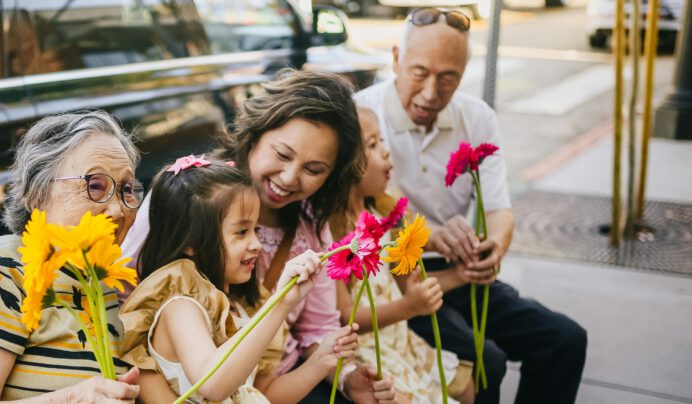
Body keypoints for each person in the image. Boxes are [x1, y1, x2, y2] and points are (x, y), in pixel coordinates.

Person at [355, 8, 588, 404]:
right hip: (396, 281)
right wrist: (432, 238)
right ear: (395, 58)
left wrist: (493, 248)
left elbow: (499, 208)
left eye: (448, 77)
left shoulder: (477, 116)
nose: (431, 93)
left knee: (564, 340)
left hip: (460, 270)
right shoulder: (361, 117)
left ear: (463, 73)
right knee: (485, 360)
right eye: (419, 72)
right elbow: (361, 221)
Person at [122, 69, 396, 403]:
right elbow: (128, 307)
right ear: (255, 135)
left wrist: (347, 377)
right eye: (282, 154)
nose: (289, 177)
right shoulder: (192, 197)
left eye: (313, 170)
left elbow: (315, 330)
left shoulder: (310, 224)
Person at [0, 111, 154, 403]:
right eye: (95, 186)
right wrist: (71, 400)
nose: (118, 210)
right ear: (37, 195)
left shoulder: (109, 278)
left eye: (126, 190)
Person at [120, 156, 360, 402]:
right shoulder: (180, 307)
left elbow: (261, 394)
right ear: (191, 241)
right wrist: (281, 303)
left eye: (255, 230)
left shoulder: (238, 308)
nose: (256, 244)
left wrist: (320, 362)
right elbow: (213, 384)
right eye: (241, 232)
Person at [333, 106, 474, 404]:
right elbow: (346, 315)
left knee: (465, 384)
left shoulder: (383, 214)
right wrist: (409, 306)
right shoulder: (338, 235)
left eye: (381, 141)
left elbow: (401, 283)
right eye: (372, 146)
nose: (386, 153)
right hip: (371, 352)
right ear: (344, 165)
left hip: (400, 340)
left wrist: (440, 279)